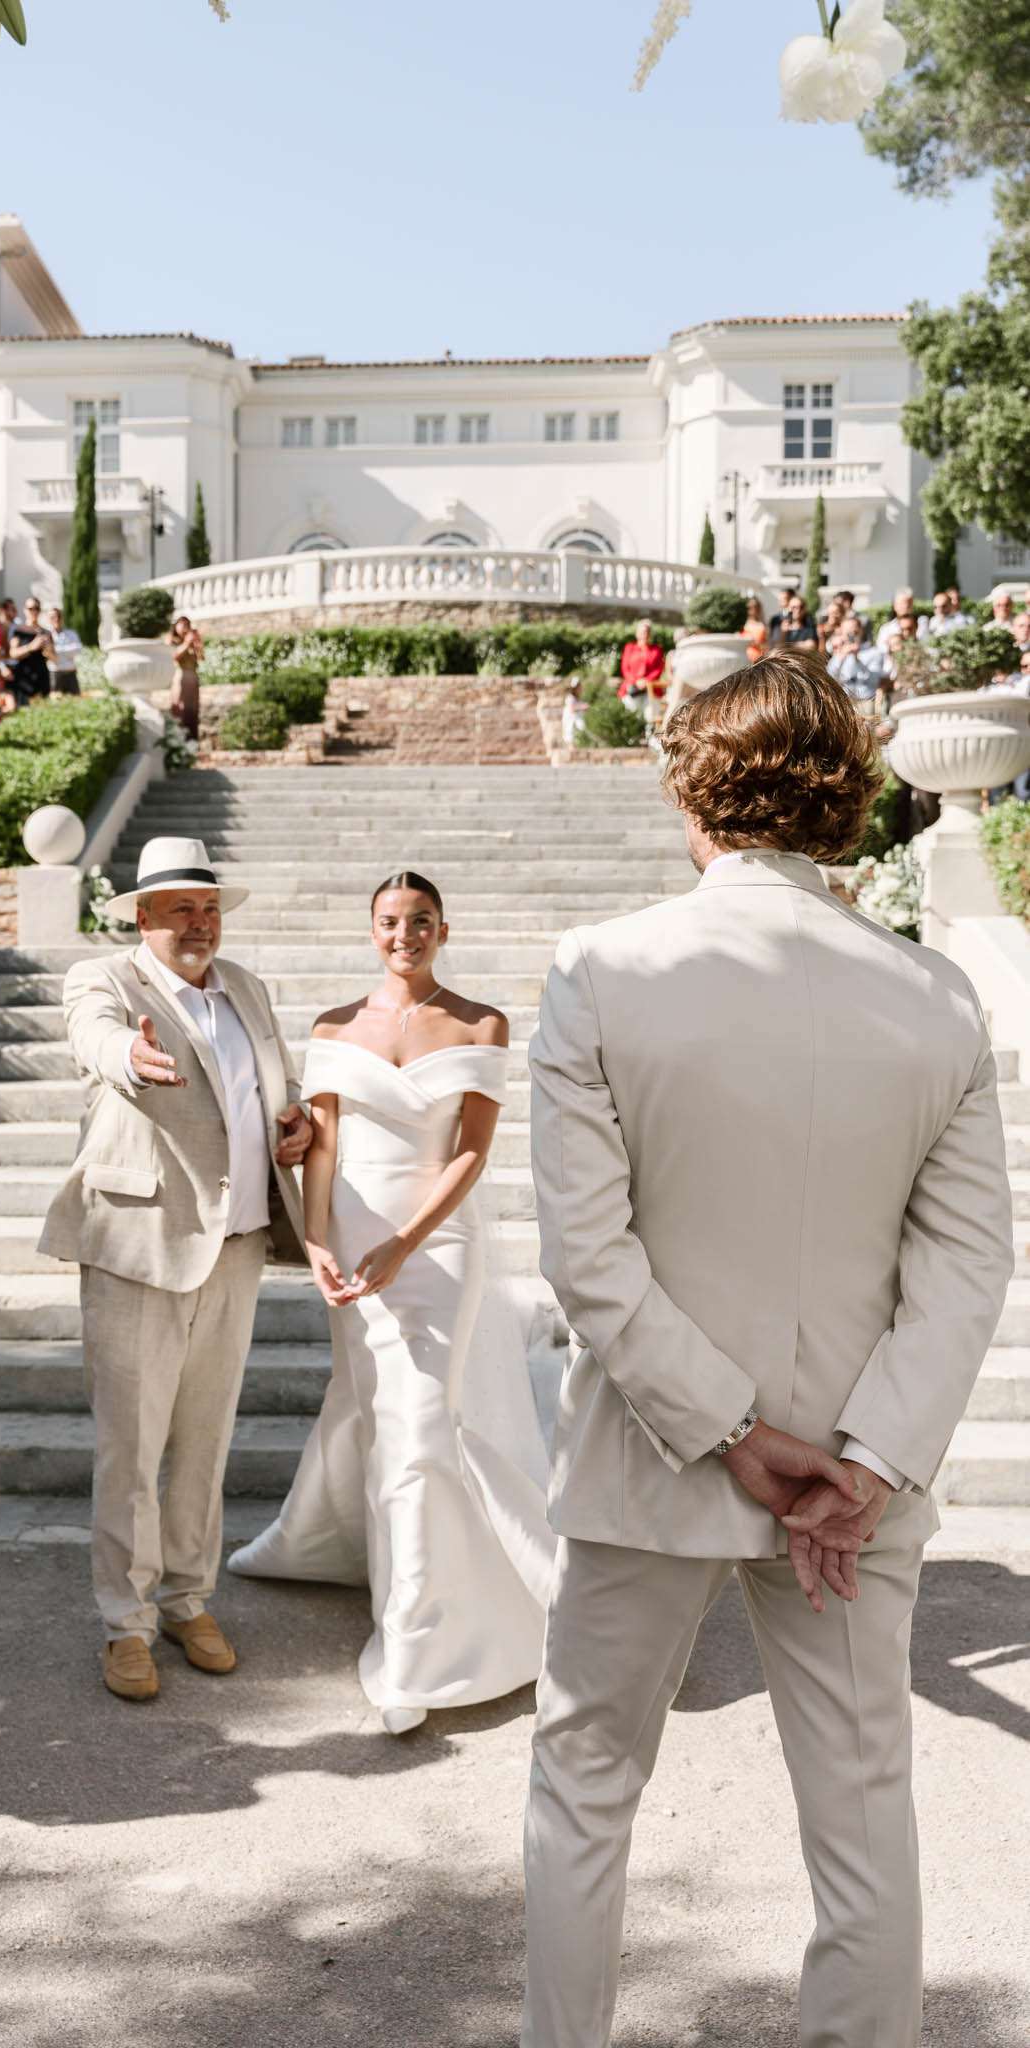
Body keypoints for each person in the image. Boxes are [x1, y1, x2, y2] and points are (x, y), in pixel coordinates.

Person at [522, 652, 1014, 2048]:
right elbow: (969, 1262)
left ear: (692, 791)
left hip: (654, 1456)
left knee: (584, 1791)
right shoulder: (931, 996)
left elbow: (586, 1257)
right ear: (850, 801)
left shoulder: (601, 971)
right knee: (862, 1811)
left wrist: (736, 1437)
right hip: (857, 1482)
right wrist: (863, 1457)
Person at [228, 872, 556, 1734]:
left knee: (418, 1431)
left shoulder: (483, 1022)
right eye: (388, 922)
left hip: (436, 1244)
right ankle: (351, 1551)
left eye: (418, 922)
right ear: (370, 931)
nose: (402, 935)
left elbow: (470, 1154)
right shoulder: (335, 1026)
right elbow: (322, 1149)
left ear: (443, 929)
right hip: (349, 1243)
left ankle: (415, 1653)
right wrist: (319, 1242)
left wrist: (403, 1240)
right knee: (376, 1412)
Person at [37, 837, 313, 1703]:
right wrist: (129, 1059)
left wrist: (295, 1126)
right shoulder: (104, 981)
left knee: (204, 1443)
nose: (200, 923)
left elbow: (278, 1088)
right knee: (132, 1448)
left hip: (237, 1246)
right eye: (181, 909)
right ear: (144, 917)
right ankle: (126, 1623)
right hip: (139, 1248)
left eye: (209, 907)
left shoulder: (247, 991)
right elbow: (95, 1039)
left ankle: (189, 1601)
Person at [826, 614, 884, 703]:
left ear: (861, 631)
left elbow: (875, 681)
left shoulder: (873, 652)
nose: (851, 635)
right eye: (847, 632)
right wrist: (840, 658)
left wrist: (857, 660)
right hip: (844, 702)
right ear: (842, 633)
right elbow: (829, 678)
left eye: (854, 632)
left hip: (866, 702)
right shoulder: (838, 654)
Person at [616, 619, 665, 721]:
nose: (644, 634)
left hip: (650, 689)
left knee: (650, 717)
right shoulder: (629, 648)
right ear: (637, 634)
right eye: (642, 632)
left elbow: (659, 668)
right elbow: (625, 668)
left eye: (647, 632)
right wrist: (636, 681)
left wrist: (646, 681)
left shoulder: (656, 650)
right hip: (632, 689)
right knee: (632, 717)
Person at [8, 595, 53, 702]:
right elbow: (13, 653)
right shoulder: (19, 631)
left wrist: (49, 648)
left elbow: (54, 657)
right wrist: (31, 647)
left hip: (41, 675)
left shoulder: (46, 632)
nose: (33, 611)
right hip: (24, 676)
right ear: (24, 610)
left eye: (36, 608)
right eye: (30, 608)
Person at [166, 614, 203, 740]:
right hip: (180, 676)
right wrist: (187, 643)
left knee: (193, 709)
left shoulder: (191, 641)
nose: (185, 627)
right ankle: (179, 739)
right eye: (182, 624)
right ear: (175, 625)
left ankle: (193, 739)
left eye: (187, 624)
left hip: (193, 676)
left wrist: (197, 643)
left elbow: (201, 658)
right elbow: (173, 656)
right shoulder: (172, 640)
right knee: (180, 708)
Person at [46, 605, 82, 695]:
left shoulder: (71, 634)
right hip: (55, 675)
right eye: (53, 617)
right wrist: (67, 652)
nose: (56, 619)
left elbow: (77, 650)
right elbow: (48, 654)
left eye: (58, 616)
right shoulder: (45, 636)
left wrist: (57, 651)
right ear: (48, 619)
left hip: (71, 674)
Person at [876, 586, 917, 654]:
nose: (905, 606)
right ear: (894, 605)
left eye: (908, 603)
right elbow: (880, 648)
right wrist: (892, 647)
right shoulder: (886, 628)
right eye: (902, 603)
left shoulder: (922, 623)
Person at [741, 595, 768, 662]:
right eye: (750, 607)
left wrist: (756, 644)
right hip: (745, 656)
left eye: (755, 607)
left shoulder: (762, 624)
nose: (753, 610)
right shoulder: (743, 623)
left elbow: (766, 644)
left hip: (758, 658)